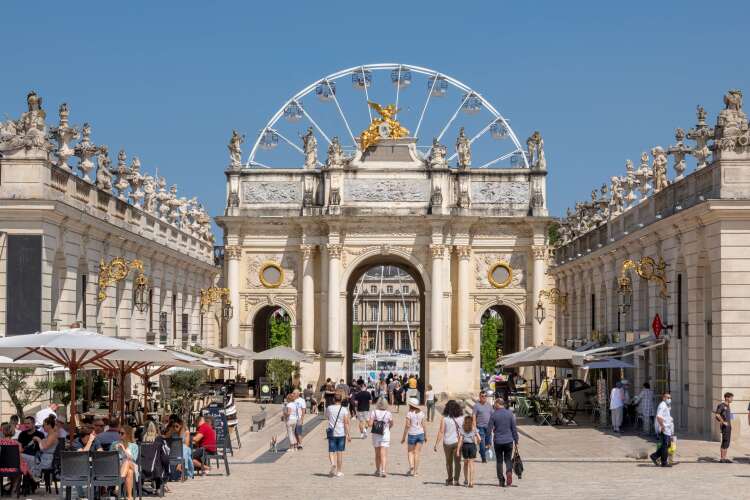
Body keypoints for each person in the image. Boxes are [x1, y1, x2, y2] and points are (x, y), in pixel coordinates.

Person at [489, 398, 519, 487]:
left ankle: (501, 480)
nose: (494, 405)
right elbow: (514, 428)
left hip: (498, 441)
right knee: (508, 459)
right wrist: (516, 440)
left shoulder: (494, 414)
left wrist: (487, 441)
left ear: (498, 404)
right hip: (509, 441)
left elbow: (489, 429)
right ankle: (509, 472)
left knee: (499, 461)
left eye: (495, 403)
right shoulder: (510, 414)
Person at [434, 399, 464, 486]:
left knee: (448, 462)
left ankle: (450, 479)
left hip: (447, 442)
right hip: (457, 442)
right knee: (457, 462)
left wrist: (436, 444)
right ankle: (456, 480)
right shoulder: (461, 418)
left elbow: (441, 431)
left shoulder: (444, 419)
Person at [24, 415, 58, 480]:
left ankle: (32, 477)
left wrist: (38, 439)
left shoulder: (52, 436)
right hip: (43, 458)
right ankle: (30, 479)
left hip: (46, 460)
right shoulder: (49, 435)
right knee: (24, 458)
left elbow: (43, 448)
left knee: (23, 457)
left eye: (44, 425)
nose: (43, 427)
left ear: (49, 425)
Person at [325, 392, 351, 477]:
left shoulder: (329, 408)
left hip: (332, 432)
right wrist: (348, 434)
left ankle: (333, 463)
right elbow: (346, 423)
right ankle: (339, 471)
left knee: (331, 451)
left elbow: (327, 417)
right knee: (340, 452)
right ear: (341, 400)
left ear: (334, 399)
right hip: (341, 433)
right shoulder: (344, 409)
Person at [111, 425, 139, 500]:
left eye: (122, 433)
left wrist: (123, 449)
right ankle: (129, 497)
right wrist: (115, 450)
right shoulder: (114, 444)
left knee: (127, 461)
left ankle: (117, 486)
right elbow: (110, 458)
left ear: (128, 434)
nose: (120, 435)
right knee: (129, 472)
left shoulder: (134, 446)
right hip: (118, 467)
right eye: (119, 433)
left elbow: (133, 459)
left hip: (132, 465)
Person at [401, 397, 426, 477]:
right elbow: (424, 425)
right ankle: (415, 472)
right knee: (417, 453)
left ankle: (411, 466)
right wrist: (425, 435)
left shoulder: (409, 413)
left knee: (410, 452)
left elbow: (407, 426)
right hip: (420, 434)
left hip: (412, 434)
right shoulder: (421, 413)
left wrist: (403, 437)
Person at [0, 422, 30, 489]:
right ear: (13, 432)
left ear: (3, 432)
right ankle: (13, 489)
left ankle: (1, 489)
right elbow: (19, 454)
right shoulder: (17, 443)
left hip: (1, 468)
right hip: (14, 468)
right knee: (22, 466)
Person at [369, 398, 394, 477]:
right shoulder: (388, 413)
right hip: (385, 434)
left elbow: (370, 424)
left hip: (376, 434)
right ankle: (383, 471)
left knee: (377, 454)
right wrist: (388, 427)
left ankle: (377, 470)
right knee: (383, 453)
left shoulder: (374, 412)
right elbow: (392, 423)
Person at [650, 392, 674, 467]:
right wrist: (662, 426)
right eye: (668, 398)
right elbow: (659, 417)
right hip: (664, 428)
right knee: (665, 445)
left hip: (667, 428)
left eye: (670, 398)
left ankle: (654, 456)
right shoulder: (662, 405)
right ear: (664, 398)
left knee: (667, 445)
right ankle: (664, 462)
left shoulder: (665, 405)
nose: (669, 399)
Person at [457, 414, 479, 488]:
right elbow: (479, 439)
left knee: (465, 464)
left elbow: (460, 440)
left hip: (465, 447)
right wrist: (476, 442)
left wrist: (458, 450)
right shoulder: (474, 429)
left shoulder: (462, 429)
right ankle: (471, 482)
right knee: (471, 464)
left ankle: (466, 480)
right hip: (472, 446)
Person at [473, 391, 494, 463]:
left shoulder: (489, 405)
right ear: (480, 397)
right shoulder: (476, 406)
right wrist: (474, 427)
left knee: (489, 443)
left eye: (485, 396)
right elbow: (474, 417)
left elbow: (492, 416)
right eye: (482, 396)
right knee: (482, 443)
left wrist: (494, 425)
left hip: (488, 427)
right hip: (480, 427)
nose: (484, 397)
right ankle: (483, 458)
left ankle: (482, 451)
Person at [715, 392, 734, 463]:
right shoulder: (722, 405)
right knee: (725, 441)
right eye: (731, 398)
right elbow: (717, 415)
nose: (732, 399)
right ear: (727, 398)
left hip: (729, 426)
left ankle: (724, 458)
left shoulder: (728, 405)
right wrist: (723, 422)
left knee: (727, 442)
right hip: (725, 427)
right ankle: (722, 458)